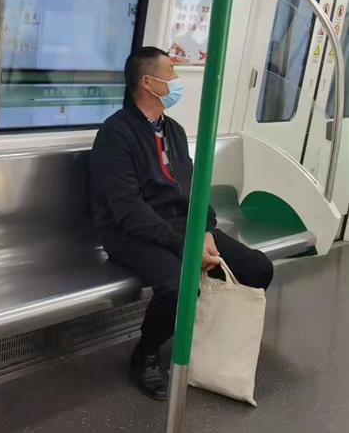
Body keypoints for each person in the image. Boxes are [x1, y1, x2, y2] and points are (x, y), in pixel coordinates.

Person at [90, 47, 273, 401]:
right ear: (149, 82)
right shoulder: (116, 134)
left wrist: (205, 230)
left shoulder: (172, 130)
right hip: (129, 233)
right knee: (179, 283)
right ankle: (145, 352)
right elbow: (127, 209)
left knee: (257, 268)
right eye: (171, 73)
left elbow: (193, 188)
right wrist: (187, 247)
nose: (176, 81)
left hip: (180, 227)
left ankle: (208, 337)